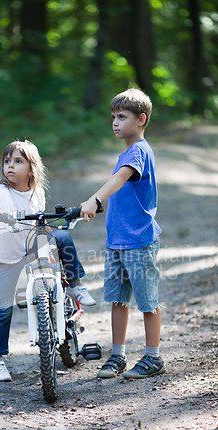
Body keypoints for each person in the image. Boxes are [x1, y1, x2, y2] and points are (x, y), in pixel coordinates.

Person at [0, 140, 96, 382]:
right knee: (3, 308)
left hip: (31, 247)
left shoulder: (38, 193)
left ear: (31, 169)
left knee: (62, 237)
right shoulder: (2, 192)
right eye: (7, 161)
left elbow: (39, 225)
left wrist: (58, 228)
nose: (10, 166)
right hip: (5, 256)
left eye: (18, 161)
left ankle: (74, 286)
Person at [80, 88, 165, 379]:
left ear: (141, 119)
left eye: (122, 117)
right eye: (113, 117)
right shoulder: (127, 152)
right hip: (117, 241)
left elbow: (119, 178)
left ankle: (153, 357)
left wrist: (95, 199)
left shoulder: (139, 151)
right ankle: (118, 356)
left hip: (139, 241)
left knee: (147, 301)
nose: (115, 122)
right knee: (118, 299)